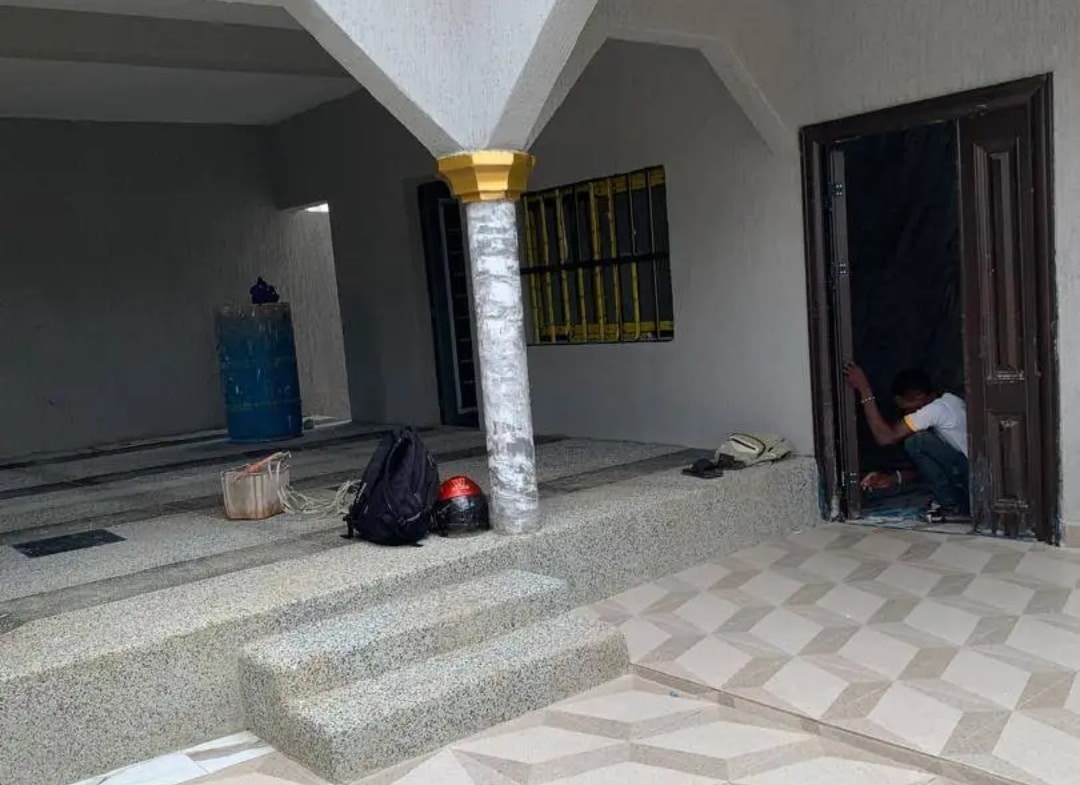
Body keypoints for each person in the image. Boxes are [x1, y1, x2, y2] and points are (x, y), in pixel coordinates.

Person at [844, 363, 969, 522]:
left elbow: (885, 437)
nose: (906, 415)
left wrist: (864, 390)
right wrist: (892, 479)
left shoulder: (934, 410)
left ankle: (953, 507)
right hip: (968, 476)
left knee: (916, 442)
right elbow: (934, 469)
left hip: (968, 477)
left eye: (906, 408)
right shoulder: (950, 401)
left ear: (919, 397)